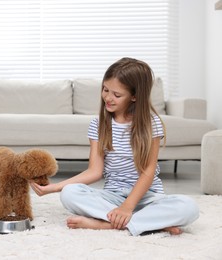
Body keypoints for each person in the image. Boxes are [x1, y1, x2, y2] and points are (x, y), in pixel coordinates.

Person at [30, 57, 199, 236]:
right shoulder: (98, 124)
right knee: (69, 193)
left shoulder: (151, 123)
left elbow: (148, 171)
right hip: (113, 196)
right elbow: (94, 171)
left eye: (117, 95)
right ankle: (148, 222)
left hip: (148, 196)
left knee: (189, 208)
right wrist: (54, 188)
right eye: (105, 90)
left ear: (134, 96)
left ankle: (107, 224)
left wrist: (128, 206)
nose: (108, 98)